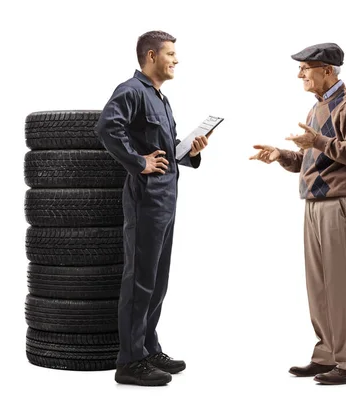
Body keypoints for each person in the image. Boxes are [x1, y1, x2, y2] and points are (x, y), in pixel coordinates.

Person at [250, 43, 346, 385]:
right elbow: (314, 160)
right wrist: (282, 155)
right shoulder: (316, 109)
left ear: (328, 70)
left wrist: (316, 142)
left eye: (306, 68)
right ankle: (328, 356)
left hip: (340, 205)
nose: (300, 74)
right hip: (314, 205)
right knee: (319, 286)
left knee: (343, 285)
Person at [96, 30, 210, 386]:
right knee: (140, 280)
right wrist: (138, 162)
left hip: (166, 199)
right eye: (171, 54)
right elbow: (106, 127)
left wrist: (190, 149)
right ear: (150, 56)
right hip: (146, 198)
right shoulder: (131, 91)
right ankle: (129, 361)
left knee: (158, 280)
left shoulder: (159, 98)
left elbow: (166, 149)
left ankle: (147, 347)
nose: (176, 60)